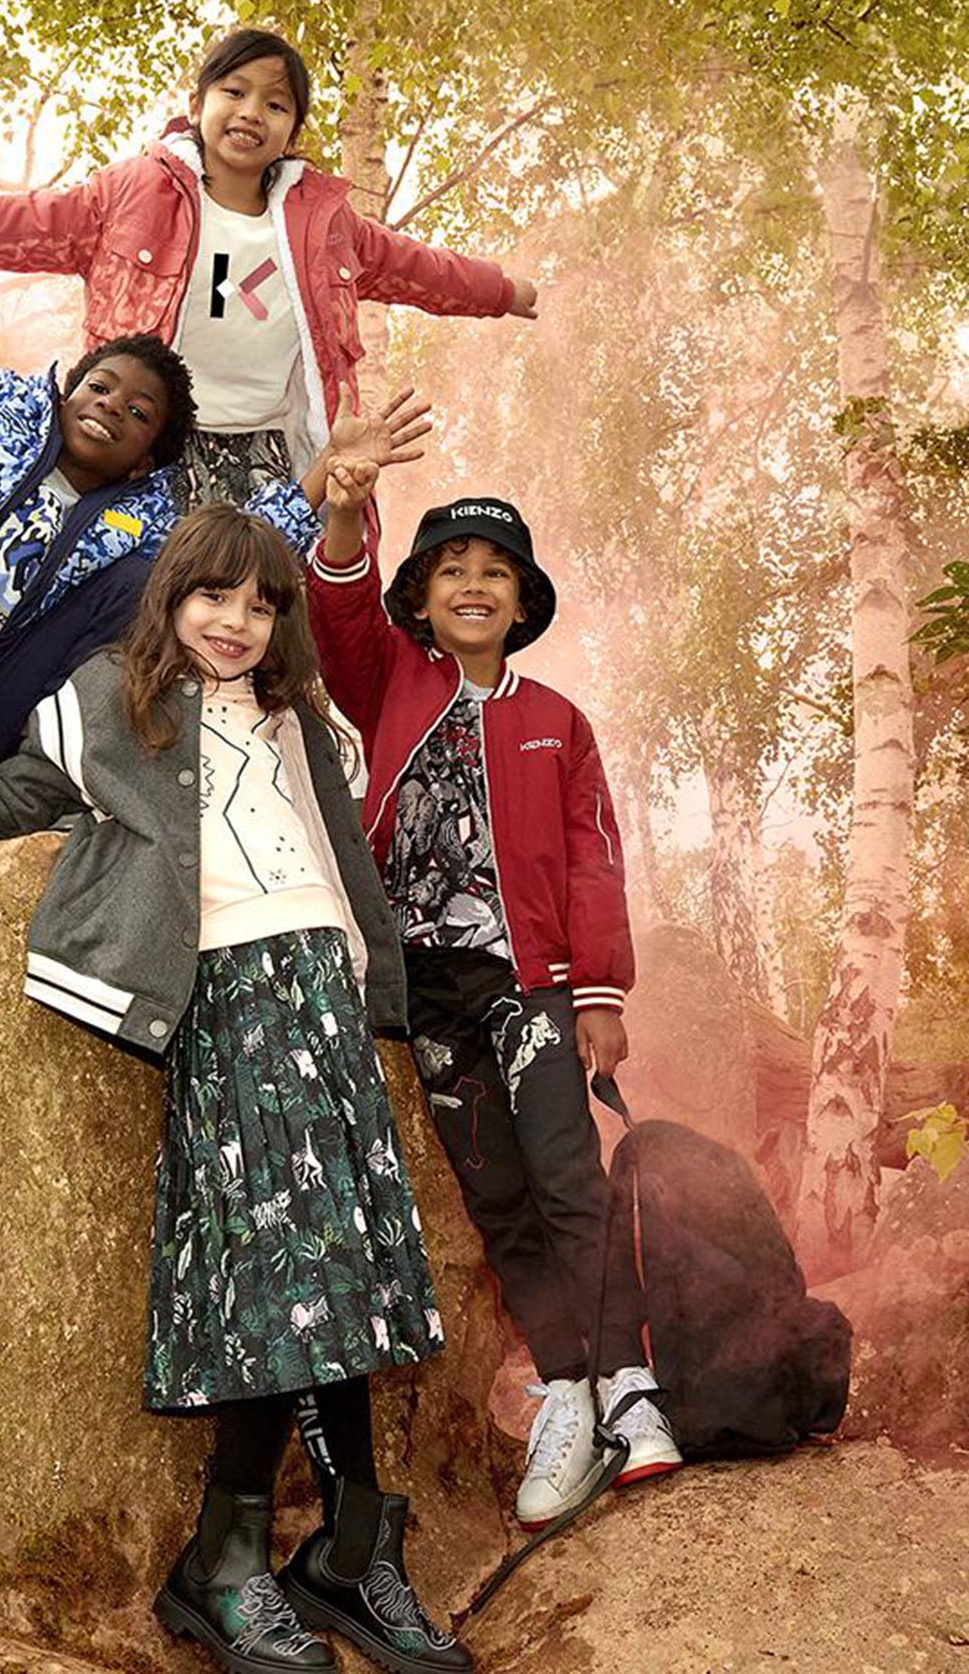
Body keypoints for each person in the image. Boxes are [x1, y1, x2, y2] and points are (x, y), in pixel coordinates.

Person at [0, 501, 472, 1674]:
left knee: (348, 1285)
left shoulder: (301, 719)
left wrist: (377, 1005)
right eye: (214, 595)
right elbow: (14, 792)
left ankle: (349, 1550)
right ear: (171, 598)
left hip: (325, 996)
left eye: (261, 604)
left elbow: (344, 856)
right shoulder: (112, 701)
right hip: (229, 996)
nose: (237, 622)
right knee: (279, 1279)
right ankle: (230, 1561)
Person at [0, 69, 423, 870]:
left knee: (154, 585)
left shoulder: (144, 518)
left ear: (148, 454)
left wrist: (324, 470)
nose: (111, 407)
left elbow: (236, 558)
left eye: (139, 413)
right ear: (68, 390)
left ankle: (21, 789)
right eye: (101, 387)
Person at [306, 462, 683, 1528]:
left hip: (533, 987)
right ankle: (566, 1391)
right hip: (429, 994)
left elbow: (592, 858)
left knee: (569, 1179)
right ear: (421, 599)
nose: (473, 584)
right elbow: (337, 614)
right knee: (498, 1196)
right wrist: (344, 512)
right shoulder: (391, 682)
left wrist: (600, 994)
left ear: (523, 603)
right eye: (451, 569)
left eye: (496, 572)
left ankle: (630, 1386)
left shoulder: (557, 720)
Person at [0, 25, 536, 512]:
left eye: (276, 105)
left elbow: (415, 266)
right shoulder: (134, 193)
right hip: (150, 448)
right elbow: (14, 222)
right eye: (235, 91)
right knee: (141, 611)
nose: (252, 112)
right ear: (196, 105)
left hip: (270, 454)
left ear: (292, 132)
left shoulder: (323, 224)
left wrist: (502, 290)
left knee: (256, 612)